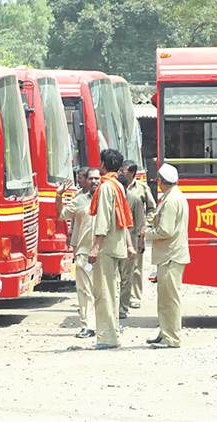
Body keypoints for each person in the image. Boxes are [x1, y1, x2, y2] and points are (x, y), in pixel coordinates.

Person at [88, 149, 135, 349]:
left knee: (103, 292)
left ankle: (107, 337)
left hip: (106, 246)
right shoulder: (119, 185)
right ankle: (113, 332)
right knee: (112, 291)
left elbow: (104, 219)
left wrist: (95, 247)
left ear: (104, 165)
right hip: (116, 244)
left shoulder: (107, 187)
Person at [142, 163, 190, 349]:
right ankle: (165, 332)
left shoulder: (171, 201)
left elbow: (165, 230)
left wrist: (147, 232)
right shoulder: (174, 196)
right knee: (165, 299)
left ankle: (172, 338)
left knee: (170, 300)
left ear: (162, 181)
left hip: (171, 255)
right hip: (170, 255)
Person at [56, 167, 100, 338]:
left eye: (97, 178)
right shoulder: (80, 200)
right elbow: (61, 215)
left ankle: (107, 325)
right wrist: (59, 196)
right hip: (84, 252)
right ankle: (88, 325)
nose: (95, 181)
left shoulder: (108, 198)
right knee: (85, 290)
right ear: (86, 182)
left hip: (104, 253)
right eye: (91, 179)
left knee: (106, 291)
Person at [117, 162, 156, 316]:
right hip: (121, 233)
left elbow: (151, 207)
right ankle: (121, 298)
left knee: (136, 267)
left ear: (132, 172)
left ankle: (135, 296)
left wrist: (145, 226)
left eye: (124, 170)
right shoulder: (117, 186)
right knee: (122, 269)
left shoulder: (141, 189)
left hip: (135, 232)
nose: (121, 172)